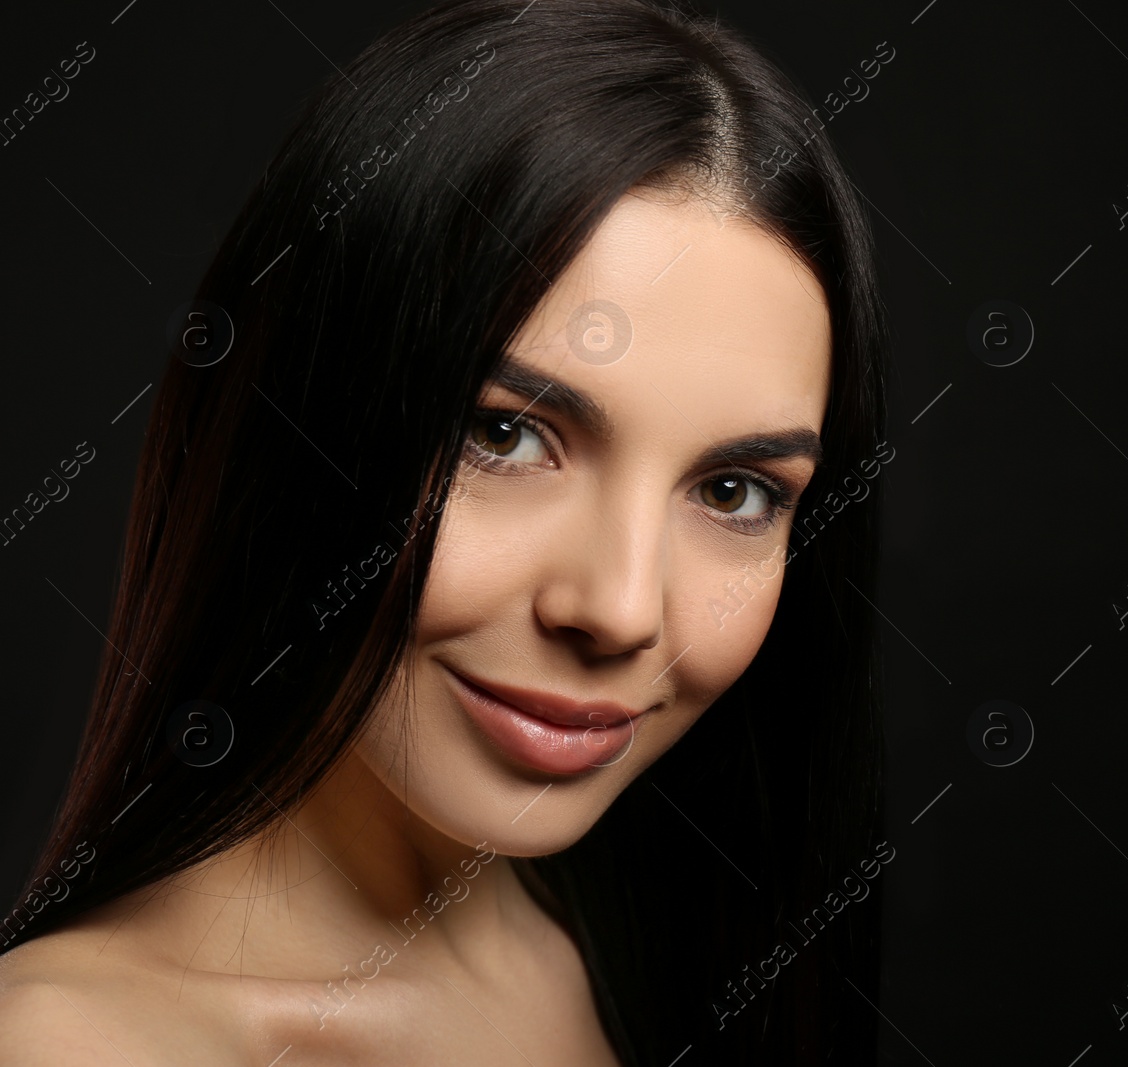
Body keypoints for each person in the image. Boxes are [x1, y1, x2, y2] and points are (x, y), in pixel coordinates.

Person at [0, 1, 891, 1063]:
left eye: (736, 490)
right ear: (293, 424)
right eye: (506, 435)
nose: (617, 608)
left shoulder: (677, 956)